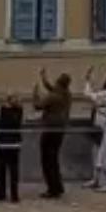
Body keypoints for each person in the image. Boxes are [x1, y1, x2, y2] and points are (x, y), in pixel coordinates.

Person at [33, 69, 71, 200]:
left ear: (59, 83)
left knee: (47, 160)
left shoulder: (53, 96)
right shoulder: (67, 94)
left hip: (49, 130)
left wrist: (35, 94)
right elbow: (52, 88)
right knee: (54, 160)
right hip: (60, 130)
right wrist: (44, 79)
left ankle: (52, 189)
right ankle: (58, 187)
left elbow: (37, 106)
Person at [84, 69, 106, 192]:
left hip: (105, 130)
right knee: (98, 154)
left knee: (104, 156)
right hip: (103, 129)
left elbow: (90, 95)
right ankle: (97, 179)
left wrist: (88, 80)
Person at [0, 92, 23, 203]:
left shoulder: (3, 110)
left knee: (1, 169)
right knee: (14, 170)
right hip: (14, 144)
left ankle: (0, 194)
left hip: (2, 143)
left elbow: (1, 123)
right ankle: (14, 195)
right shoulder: (19, 111)